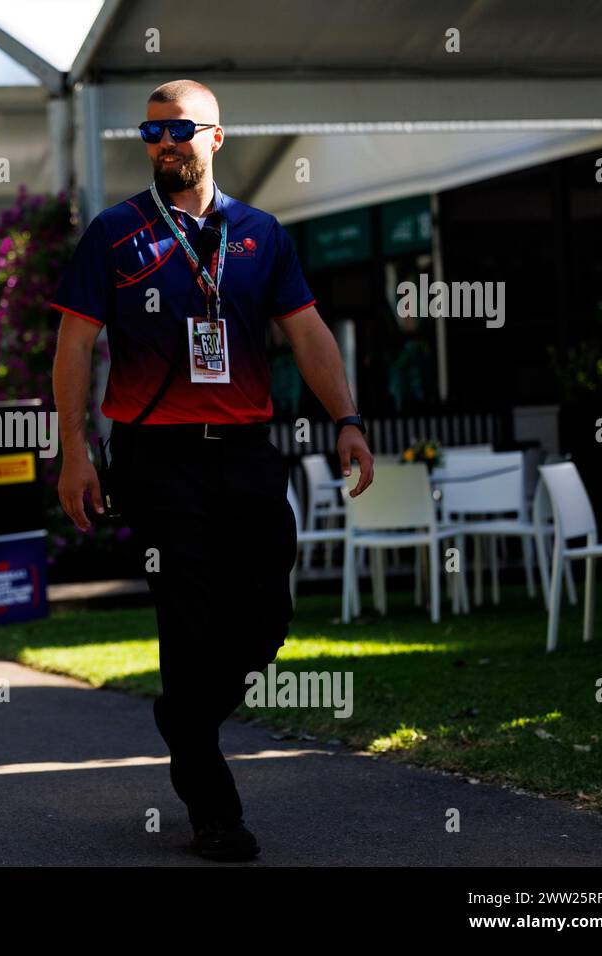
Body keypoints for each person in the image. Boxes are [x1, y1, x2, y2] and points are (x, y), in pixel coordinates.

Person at [51, 79, 374, 862]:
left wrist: (349, 420)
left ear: (216, 138)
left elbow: (307, 332)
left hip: (247, 452)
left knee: (267, 619)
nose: (164, 143)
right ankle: (214, 809)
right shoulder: (115, 233)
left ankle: (184, 717)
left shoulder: (261, 233)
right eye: (151, 132)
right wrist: (74, 451)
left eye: (180, 130)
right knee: (189, 622)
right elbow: (73, 346)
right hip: (156, 457)